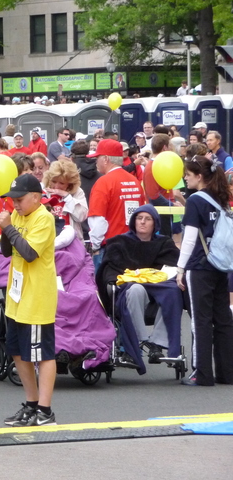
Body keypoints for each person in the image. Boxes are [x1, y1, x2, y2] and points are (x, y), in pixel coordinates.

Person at [0, 174, 57, 427]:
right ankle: (31, 404)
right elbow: (9, 251)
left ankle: (45, 409)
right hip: (17, 295)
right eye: (12, 200)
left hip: (37, 296)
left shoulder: (44, 218)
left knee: (41, 354)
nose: (16, 205)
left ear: (35, 197)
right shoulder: (17, 216)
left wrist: (9, 227)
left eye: (19, 200)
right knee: (17, 352)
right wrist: (5, 229)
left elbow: (30, 253)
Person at [98, 205, 183, 373]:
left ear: (155, 224)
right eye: (139, 218)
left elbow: (174, 267)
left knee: (173, 291)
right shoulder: (120, 242)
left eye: (148, 219)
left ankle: (158, 343)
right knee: (136, 289)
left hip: (157, 293)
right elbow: (109, 269)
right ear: (133, 221)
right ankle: (143, 339)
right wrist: (113, 282)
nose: (142, 222)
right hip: (132, 294)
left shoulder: (164, 243)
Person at [176, 156, 233, 386]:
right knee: (223, 319)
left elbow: (189, 239)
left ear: (199, 176)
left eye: (188, 175)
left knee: (199, 321)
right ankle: (227, 372)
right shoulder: (221, 198)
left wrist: (180, 268)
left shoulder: (195, 201)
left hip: (199, 265)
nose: (185, 179)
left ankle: (202, 373)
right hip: (221, 264)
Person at [87, 139, 145, 269]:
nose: (95, 161)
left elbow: (98, 219)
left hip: (110, 248)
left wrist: (95, 246)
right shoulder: (134, 181)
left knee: (107, 288)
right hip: (133, 245)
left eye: (97, 157)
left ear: (106, 159)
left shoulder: (104, 183)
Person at [42, 160, 88, 241]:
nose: (56, 186)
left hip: (72, 242)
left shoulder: (77, 192)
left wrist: (67, 197)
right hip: (48, 240)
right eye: (54, 181)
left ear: (69, 183)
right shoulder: (43, 191)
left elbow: (81, 217)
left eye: (61, 183)